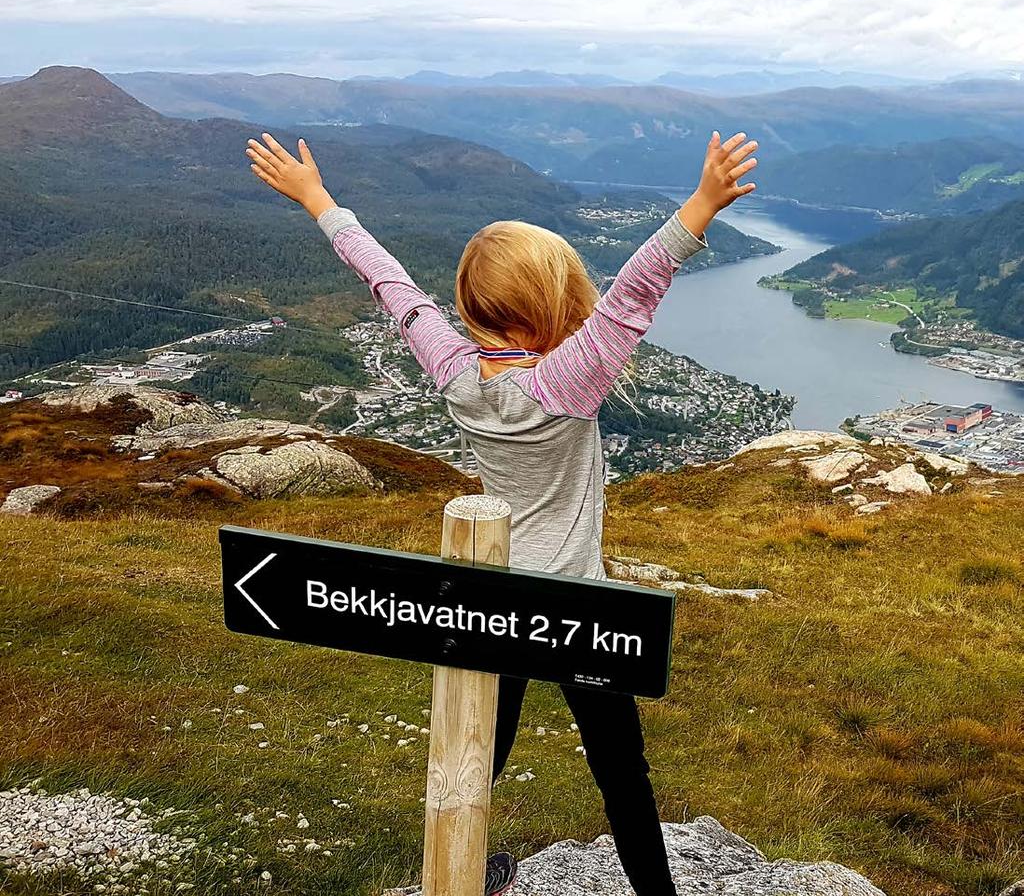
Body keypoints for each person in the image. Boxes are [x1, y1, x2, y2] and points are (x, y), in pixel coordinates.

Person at [246, 128, 757, 896]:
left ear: (471, 306)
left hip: (496, 604)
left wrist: (318, 199)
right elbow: (636, 291)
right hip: (577, 608)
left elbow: (390, 286)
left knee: (480, 750)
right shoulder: (572, 381)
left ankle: (454, 873)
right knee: (622, 771)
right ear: (550, 302)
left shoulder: (454, 374)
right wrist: (701, 205)